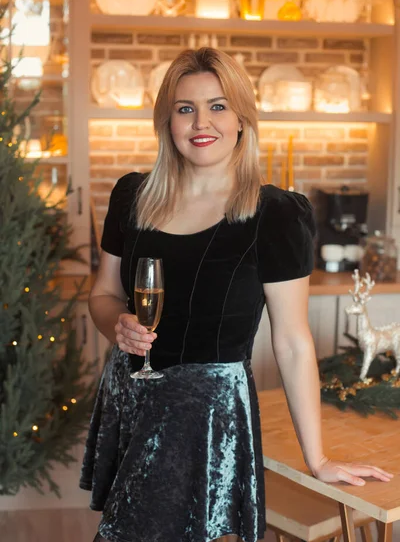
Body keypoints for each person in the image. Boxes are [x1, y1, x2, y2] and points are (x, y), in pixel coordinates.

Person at [80, 47, 393, 542]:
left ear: (243, 119)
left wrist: (319, 458)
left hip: (206, 414)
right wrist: (115, 323)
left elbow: (292, 341)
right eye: (185, 108)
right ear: (168, 120)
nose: (201, 121)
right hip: (131, 396)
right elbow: (102, 295)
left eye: (218, 106)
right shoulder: (133, 196)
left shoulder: (276, 215)